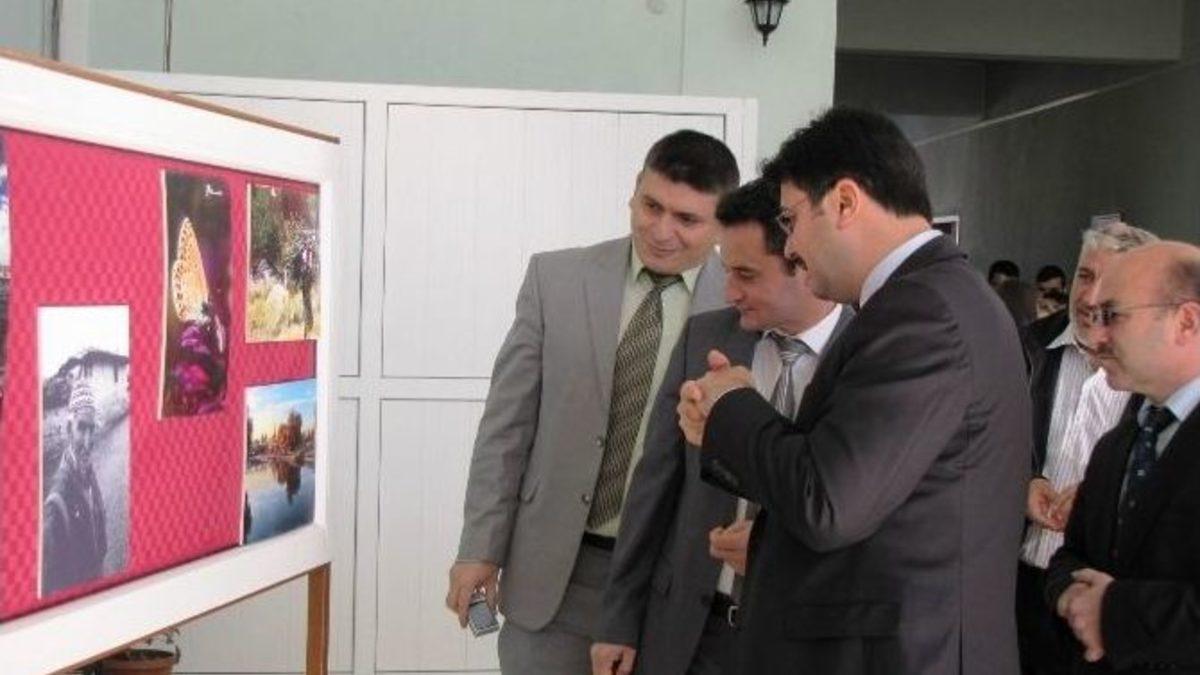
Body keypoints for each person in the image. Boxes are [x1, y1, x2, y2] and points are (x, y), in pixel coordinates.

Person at [676, 107, 1029, 674]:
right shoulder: (930, 299)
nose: (791, 246)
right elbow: (863, 482)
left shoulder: (923, 312)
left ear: (844, 202)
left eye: (790, 219)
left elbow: (830, 503)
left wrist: (731, 406)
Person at [446, 129, 739, 674]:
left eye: (687, 219)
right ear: (634, 190)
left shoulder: (746, 304)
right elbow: (506, 427)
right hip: (557, 573)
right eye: (651, 206)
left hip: (673, 582)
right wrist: (479, 546)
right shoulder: (556, 279)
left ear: (722, 223)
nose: (662, 230)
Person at [591, 179, 851, 675]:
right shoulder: (707, 337)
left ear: (802, 262)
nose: (729, 291)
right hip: (692, 633)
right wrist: (617, 620)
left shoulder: (871, 354)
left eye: (746, 275)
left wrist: (779, 552)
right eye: (726, 270)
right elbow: (654, 483)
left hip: (807, 640)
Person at [1046, 241, 1200, 673]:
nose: (1095, 338)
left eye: (1112, 316)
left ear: (1186, 322)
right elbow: (1070, 557)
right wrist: (1069, 595)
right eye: (1094, 317)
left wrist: (1113, 614)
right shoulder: (1120, 441)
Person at [1018, 222, 1157, 675]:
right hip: (1019, 578)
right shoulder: (1029, 347)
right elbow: (988, 442)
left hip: (1102, 592)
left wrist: (1102, 497)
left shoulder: (1156, 373)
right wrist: (1024, 483)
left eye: (1108, 280)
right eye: (1084, 275)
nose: (1089, 295)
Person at [42, 375, 108, 594]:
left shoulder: (88, 472)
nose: (88, 441)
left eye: (92, 429)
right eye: (82, 428)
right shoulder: (56, 504)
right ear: (69, 429)